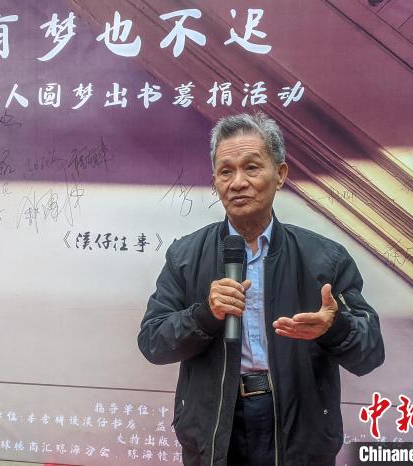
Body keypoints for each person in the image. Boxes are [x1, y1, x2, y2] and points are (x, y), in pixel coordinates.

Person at [138, 113, 384, 466]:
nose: (238, 182)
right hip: (216, 425)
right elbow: (153, 342)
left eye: (251, 168)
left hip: (296, 426)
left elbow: (370, 352)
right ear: (215, 182)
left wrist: (335, 327)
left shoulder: (324, 259)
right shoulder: (185, 256)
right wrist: (205, 315)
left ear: (280, 174)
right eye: (226, 171)